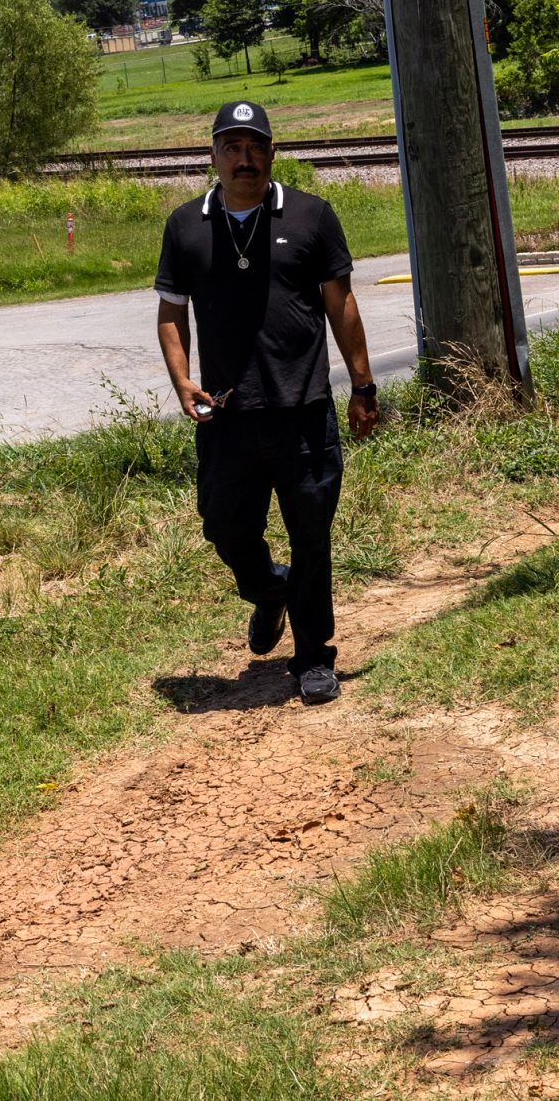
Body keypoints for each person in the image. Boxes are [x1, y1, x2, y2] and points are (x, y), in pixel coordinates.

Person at [153, 100, 379, 704]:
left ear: (272, 153)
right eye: (232, 146)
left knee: (311, 534)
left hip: (303, 413)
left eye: (255, 147)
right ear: (214, 154)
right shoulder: (184, 226)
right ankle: (268, 589)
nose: (243, 159)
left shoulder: (311, 217)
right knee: (225, 526)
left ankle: (312, 656)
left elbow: (341, 304)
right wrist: (181, 382)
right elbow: (172, 312)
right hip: (226, 417)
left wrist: (362, 386)